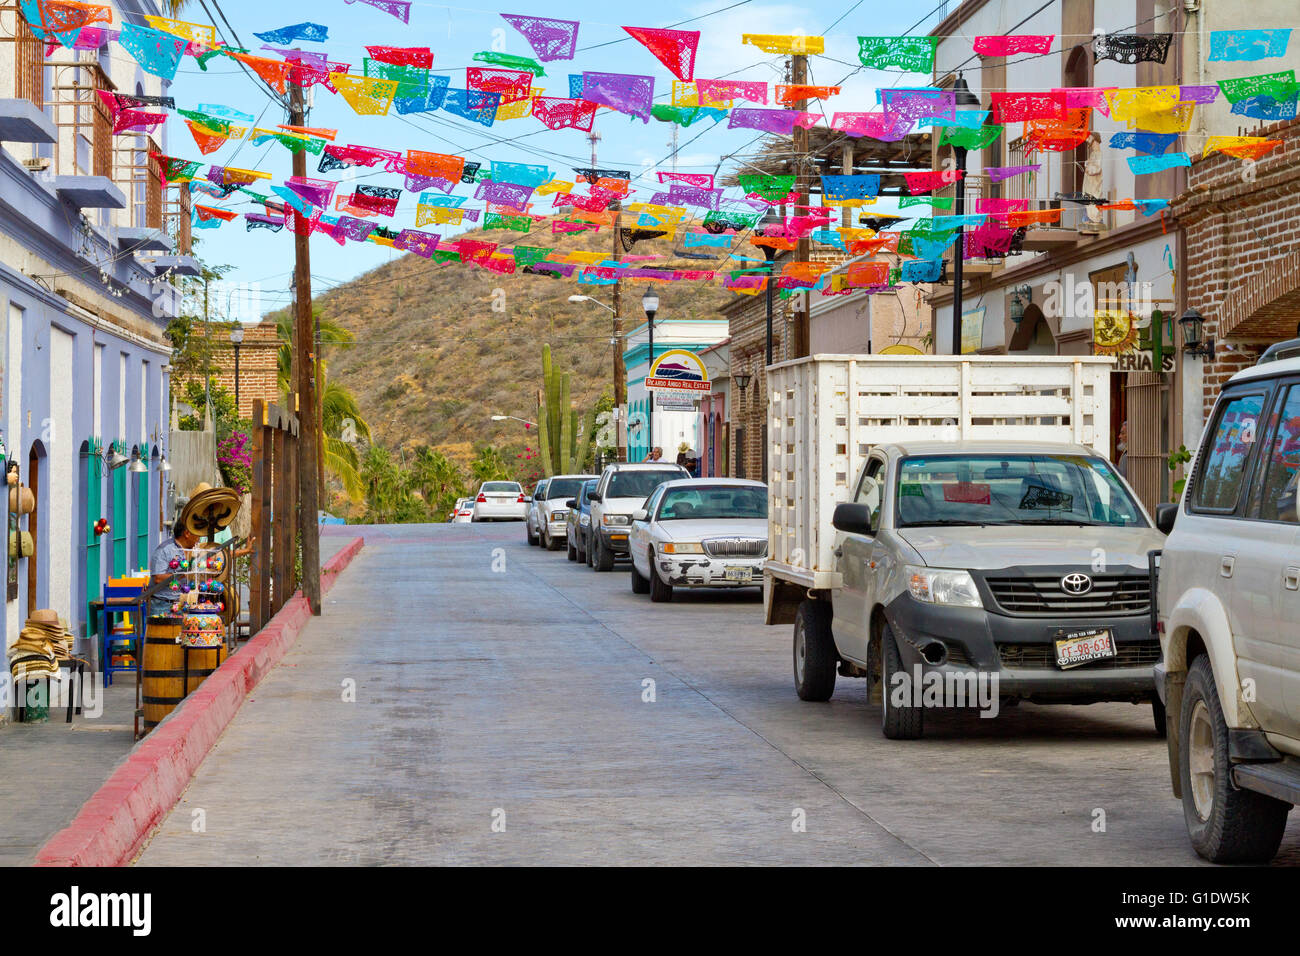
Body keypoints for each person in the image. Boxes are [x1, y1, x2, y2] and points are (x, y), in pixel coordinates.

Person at [150, 518, 201, 617]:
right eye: (197, 534)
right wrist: (181, 575)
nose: (198, 538)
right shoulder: (165, 549)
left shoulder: (192, 550)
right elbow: (158, 578)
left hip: (182, 604)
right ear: (187, 533)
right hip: (162, 605)